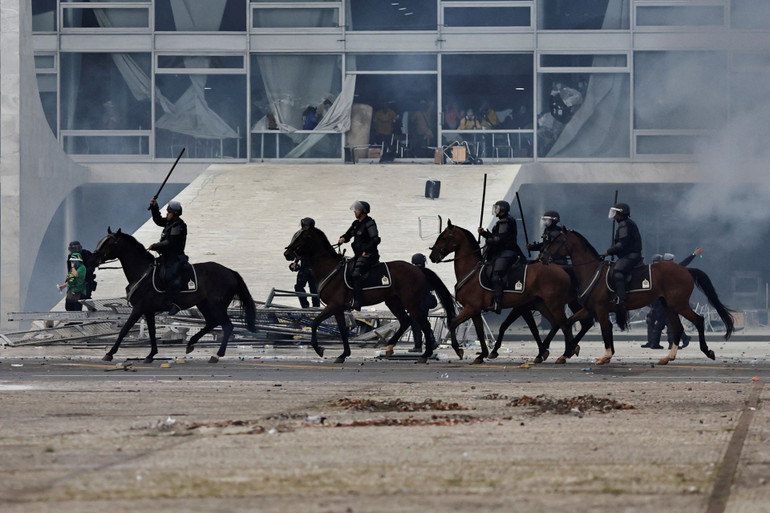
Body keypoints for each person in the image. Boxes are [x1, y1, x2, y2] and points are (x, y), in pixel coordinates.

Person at [642, 248, 703, 350]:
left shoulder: (661, 271)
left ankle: (657, 343)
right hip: (661, 302)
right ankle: (671, 341)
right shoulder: (661, 271)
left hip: (663, 302)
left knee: (665, 323)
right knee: (667, 323)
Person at [478, 200, 525, 314]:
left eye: (497, 208)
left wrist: (488, 240)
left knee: (496, 275)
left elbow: (500, 239)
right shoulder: (503, 221)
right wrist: (484, 233)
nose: (495, 210)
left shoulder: (505, 221)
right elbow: (497, 236)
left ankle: (497, 304)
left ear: (502, 210)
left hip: (506, 252)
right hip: (502, 252)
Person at [148, 198, 188, 315]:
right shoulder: (170, 222)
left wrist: (155, 246)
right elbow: (158, 220)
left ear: (174, 214)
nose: (167, 214)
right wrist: (154, 207)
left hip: (175, 257)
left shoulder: (178, 226)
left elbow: (170, 243)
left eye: (169, 212)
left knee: (169, 276)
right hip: (166, 256)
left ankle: (174, 303)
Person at [338, 201, 380, 311]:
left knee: (356, 273)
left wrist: (367, 250)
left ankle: (358, 301)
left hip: (368, 255)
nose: (355, 212)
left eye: (357, 210)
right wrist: (343, 238)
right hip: (358, 255)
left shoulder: (369, 223)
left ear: (363, 211)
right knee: (345, 269)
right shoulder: (356, 223)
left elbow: (375, 239)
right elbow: (349, 234)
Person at [604, 202, 643, 310]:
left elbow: (622, 244)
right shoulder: (626, 223)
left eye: (615, 213)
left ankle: (621, 299)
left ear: (621, 214)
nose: (614, 215)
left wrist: (609, 251)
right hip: (628, 255)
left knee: (617, 272)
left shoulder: (624, 224)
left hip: (631, 255)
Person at [408, 253, 438, 353]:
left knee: (416, 324)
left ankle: (418, 346)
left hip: (416, 303)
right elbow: (433, 286)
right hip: (425, 303)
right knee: (423, 322)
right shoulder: (427, 273)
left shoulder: (413, 274)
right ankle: (432, 341)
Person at [290, 217, 321, 308]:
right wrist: (296, 261)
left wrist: (296, 261)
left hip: (307, 266)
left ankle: (305, 306)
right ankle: (316, 307)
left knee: (300, 287)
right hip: (314, 267)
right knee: (314, 289)